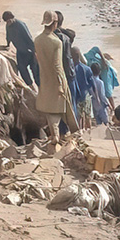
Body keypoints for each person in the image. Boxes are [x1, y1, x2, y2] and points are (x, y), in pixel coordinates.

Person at [34, 12, 72, 143]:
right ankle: (58, 135)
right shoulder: (56, 42)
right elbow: (57, 65)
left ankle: (53, 134)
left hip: (44, 77)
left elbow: (37, 59)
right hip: (55, 79)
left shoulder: (37, 40)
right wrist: (61, 82)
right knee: (59, 108)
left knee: (49, 107)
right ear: (55, 23)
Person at [3, 11, 38, 86]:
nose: (8, 23)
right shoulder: (8, 26)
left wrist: (35, 52)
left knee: (35, 71)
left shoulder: (20, 25)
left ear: (12, 18)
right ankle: (30, 85)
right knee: (22, 69)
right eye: (6, 22)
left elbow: (29, 38)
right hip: (20, 51)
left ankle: (39, 87)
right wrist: (7, 45)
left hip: (29, 51)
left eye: (9, 21)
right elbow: (8, 36)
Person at [86, 47, 119, 125]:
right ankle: (112, 110)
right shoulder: (100, 82)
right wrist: (108, 105)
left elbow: (96, 48)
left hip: (95, 105)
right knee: (107, 92)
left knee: (108, 92)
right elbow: (103, 96)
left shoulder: (88, 58)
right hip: (101, 106)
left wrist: (103, 60)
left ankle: (113, 111)